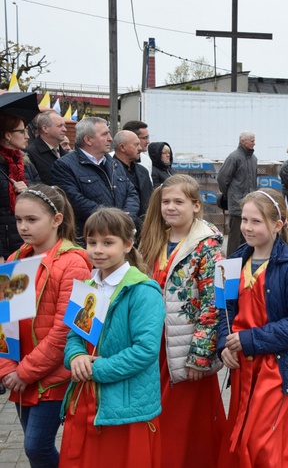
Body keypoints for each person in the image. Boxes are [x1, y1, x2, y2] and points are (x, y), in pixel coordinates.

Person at [216, 189, 288, 467]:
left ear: (277, 225)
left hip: (278, 368)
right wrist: (222, 347)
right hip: (244, 368)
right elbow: (223, 310)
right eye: (244, 220)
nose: (247, 228)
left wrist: (250, 338)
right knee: (243, 439)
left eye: (256, 221)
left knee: (265, 444)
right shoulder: (233, 262)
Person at [59, 208, 165, 468]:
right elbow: (74, 336)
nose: (98, 250)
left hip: (126, 406)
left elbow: (145, 350)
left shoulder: (143, 291)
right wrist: (75, 357)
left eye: (108, 242)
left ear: (128, 244)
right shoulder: (88, 286)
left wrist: (95, 369)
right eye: (92, 242)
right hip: (86, 399)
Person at [0, 185, 91, 467]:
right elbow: (6, 319)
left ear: (57, 220)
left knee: (36, 446)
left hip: (52, 376)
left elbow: (65, 330)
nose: (23, 227)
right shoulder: (17, 259)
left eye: (32, 220)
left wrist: (26, 372)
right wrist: (7, 368)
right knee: (33, 445)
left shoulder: (74, 262)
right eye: (18, 220)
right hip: (18, 372)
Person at [139, 174, 227, 467]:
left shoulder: (209, 245)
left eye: (179, 201)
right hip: (156, 346)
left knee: (187, 424)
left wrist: (200, 356)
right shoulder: (155, 239)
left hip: (187, 349)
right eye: (166, 201)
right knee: (161, 418)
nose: (171, 207)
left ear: (196, 206)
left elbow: (215, 302)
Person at [50, 117, 140, 239]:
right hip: (88, 237)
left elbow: (131, 192)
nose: (110, 138)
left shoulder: (114, 163)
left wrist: (127, 217)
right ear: (88, 140)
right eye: (105, 134)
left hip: (120, 234)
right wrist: (112, 217)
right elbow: (74, 201)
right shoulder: (64, 166)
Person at [0, 112, 34, 259]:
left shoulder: (26, 164)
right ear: (8, 135)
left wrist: (29, 190)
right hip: (6, 249)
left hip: (29, 244)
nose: (27, 136)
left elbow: (43, 195)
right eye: (22, 131)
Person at [218, 132, 258, 255]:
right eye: (251, 140)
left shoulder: (253, 158)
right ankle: (231, 264)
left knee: (249, 237)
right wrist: (229, 195)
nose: (254, 143)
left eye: (254, 140)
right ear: (243, 141)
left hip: (251, 206)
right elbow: (222, 178)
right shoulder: (234, 157)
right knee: (235, 238)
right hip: (237, 205)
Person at [112, 130, 153, 225]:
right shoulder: (110, 170)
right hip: (122, 226)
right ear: (122, 147)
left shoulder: (143, 171)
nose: (140, 148)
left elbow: (150, 199)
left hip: (146, 228)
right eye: (136, 145)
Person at [25, 111, 68, 185]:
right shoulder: (30, 153)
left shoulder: (66, 155)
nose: (64, 129)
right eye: (59, 126)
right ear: (45, 128)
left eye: (64, 126)